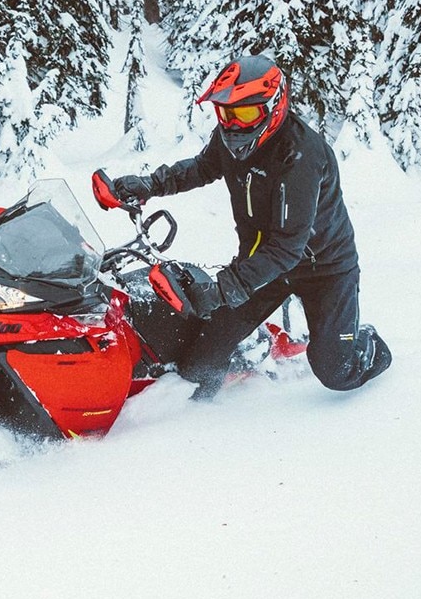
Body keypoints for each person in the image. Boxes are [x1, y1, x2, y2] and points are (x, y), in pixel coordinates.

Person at [111, 54, 391, 399]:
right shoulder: (233, 136)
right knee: (200, 362)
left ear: (273, 106)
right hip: (261, 264)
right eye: (226, 114)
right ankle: (195, 418)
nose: (233, 125)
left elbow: (288, 247)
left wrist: (224, 289)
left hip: (325, 269)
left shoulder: (301, 157)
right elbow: (202, 167)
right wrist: (152, 184)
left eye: (244, 114)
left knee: (336, 370)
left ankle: (364, 342)